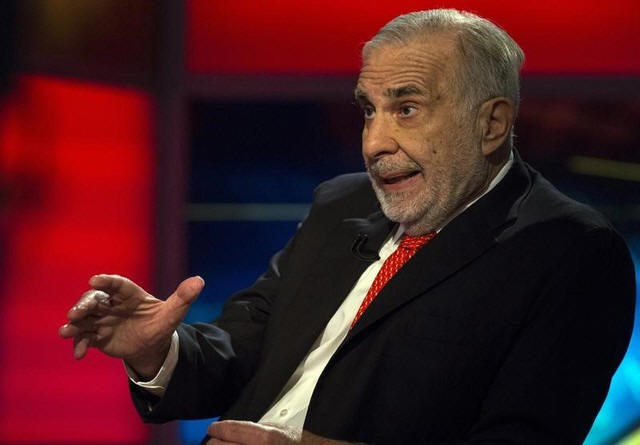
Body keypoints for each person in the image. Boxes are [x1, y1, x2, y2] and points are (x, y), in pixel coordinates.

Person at [59, 9, 636, 444]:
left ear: (491, 125)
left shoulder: (570, 251)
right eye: (368, 110)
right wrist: (158, 351)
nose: (375, 142)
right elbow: (242, 351)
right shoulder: (340, 204)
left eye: (406, 109)